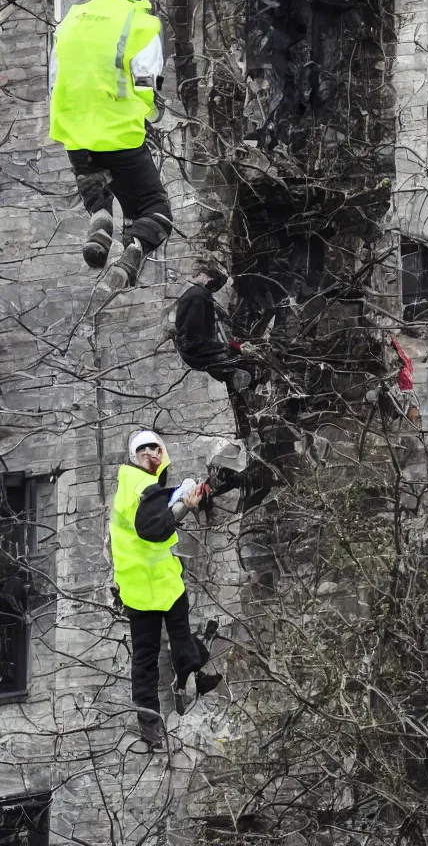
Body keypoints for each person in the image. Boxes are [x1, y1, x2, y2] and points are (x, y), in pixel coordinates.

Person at [49, 0, 172, 292]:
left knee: (94, 179)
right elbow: (147, 80)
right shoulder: (141, 22)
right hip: (118, 134)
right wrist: (149, 110)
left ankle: (100, 218)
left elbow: (54, 78)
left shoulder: (69, 21)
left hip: (75, 132)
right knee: (155, 206)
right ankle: (133, 252)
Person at [109, 430, 222, 747]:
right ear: (134, 457)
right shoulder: (137, 485)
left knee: (180, 634)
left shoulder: (149, 488)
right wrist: (184, 506)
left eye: (155, 448)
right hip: (142, 585)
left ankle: (192, 677)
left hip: (160, 578)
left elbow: (159, 519)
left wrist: (188, 502)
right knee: (146, 656)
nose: (150, 454)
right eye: (142, 449)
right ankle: (150, 722)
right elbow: (154, 529)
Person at [174, 261, 260, 392]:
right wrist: (221, 349)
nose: (213, 281)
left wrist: (236, 347)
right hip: (199, 352)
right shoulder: (198, 295)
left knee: (249, 368)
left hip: (201, 352)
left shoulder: (200, 296)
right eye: (212, 277)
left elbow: (217, 331)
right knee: (249, 371)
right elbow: (196, 334)